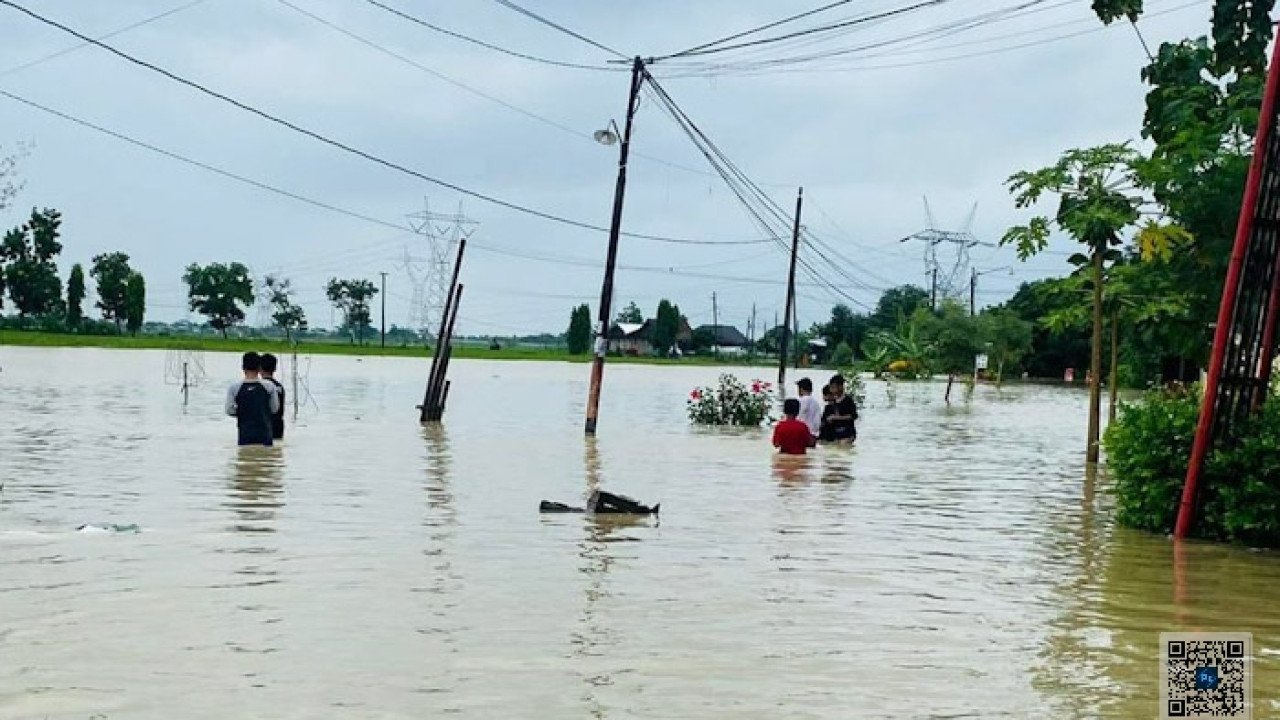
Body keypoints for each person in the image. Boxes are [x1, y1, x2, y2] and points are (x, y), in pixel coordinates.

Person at [225, 352, 280, 447]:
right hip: (265, 435)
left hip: (245, 435)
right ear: (259, 368)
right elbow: (274, 409)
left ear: (243, 368)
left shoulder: (234, 388)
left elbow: (229, 410)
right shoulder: (269, 386)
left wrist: (243, 412)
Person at [821, 374, 858, 442]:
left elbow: (854, 416)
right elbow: (824, 420)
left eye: (833, 387)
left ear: (840, 387)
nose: (831, 390)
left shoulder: (848, 400)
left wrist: (836, 417)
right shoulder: (832, 402)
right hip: (835, 435)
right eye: (831, 388)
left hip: (847, 434)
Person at [260, 353, 286, 441]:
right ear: (275, 369)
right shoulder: (279, 387)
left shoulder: (259, 386)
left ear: (260, 368)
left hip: (263, 426)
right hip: (278, 425)